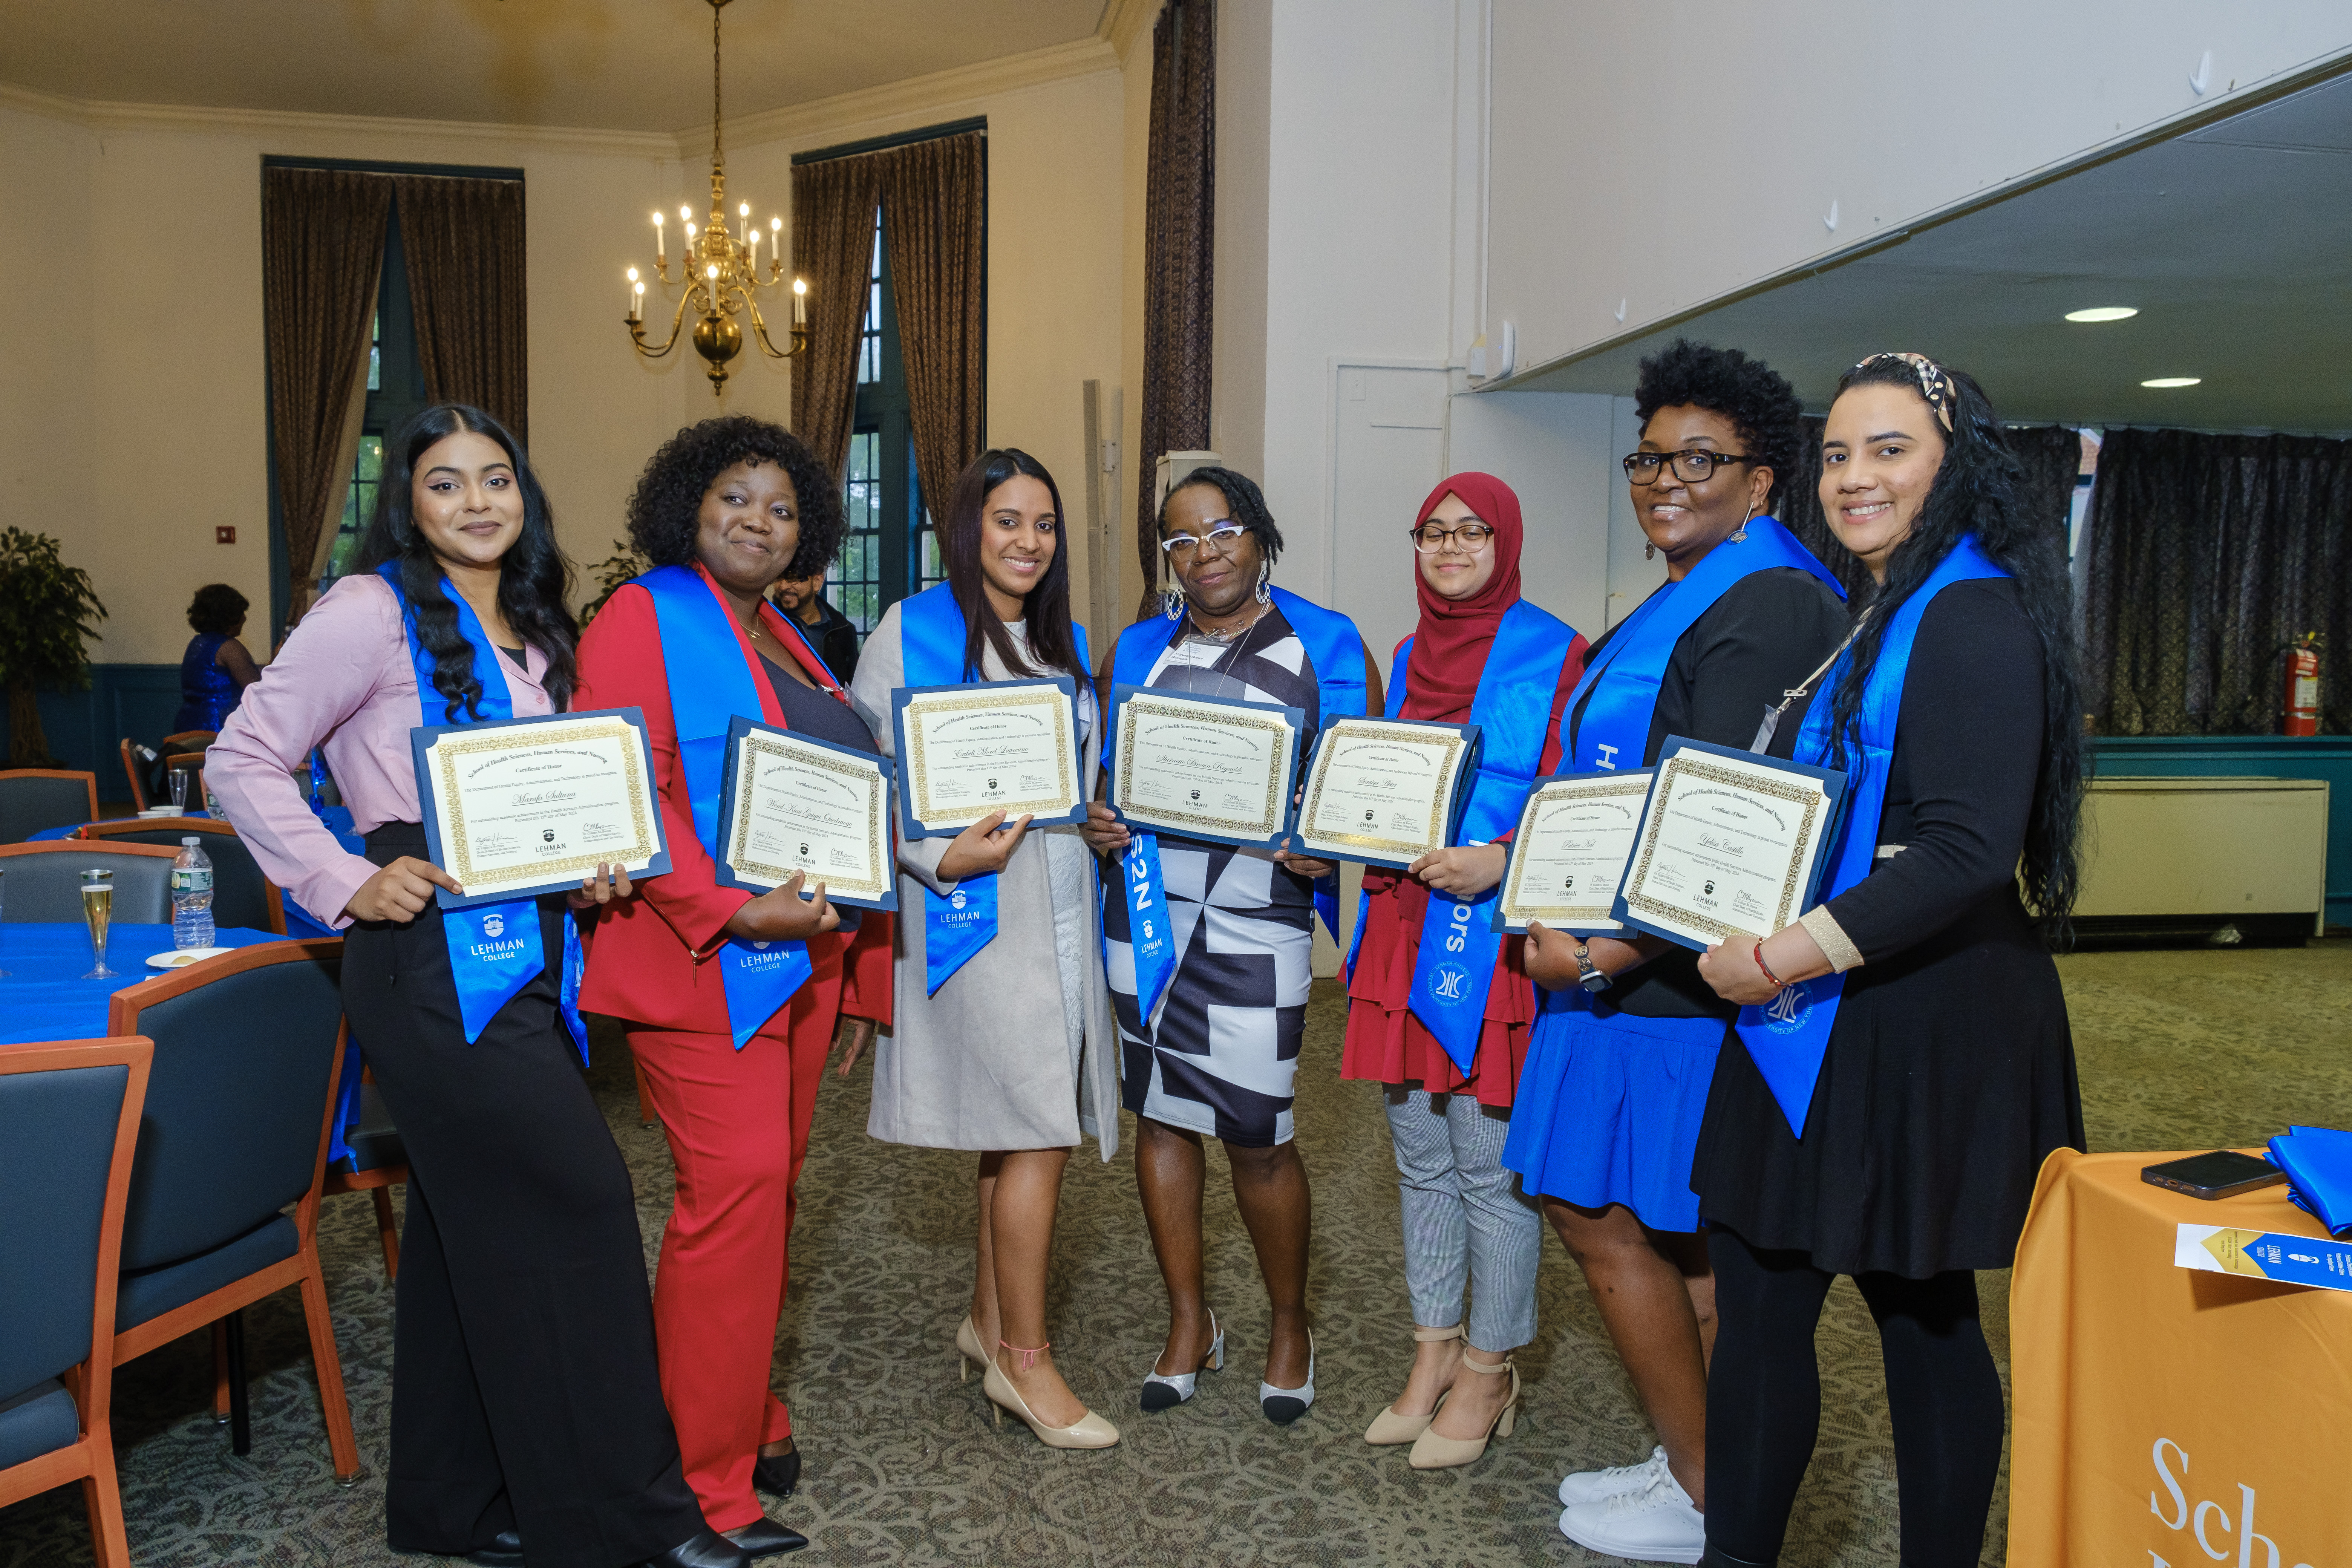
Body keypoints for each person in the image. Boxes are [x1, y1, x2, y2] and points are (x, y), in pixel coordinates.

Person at [205, 404, 750, 1568]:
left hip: (525, 955)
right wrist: (342, 878)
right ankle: (624, 1525)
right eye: (444, 483)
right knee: (586, 1205)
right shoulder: (368, 611)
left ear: (525, 494)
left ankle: (454, 1505)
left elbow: (541, 806)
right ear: (406, 502)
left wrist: (592, 872)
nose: (475, 502)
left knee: (464, 1238)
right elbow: (239, 757)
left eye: (495, 478)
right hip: (425, 964)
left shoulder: (533, 630)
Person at [1687, 353, 2085, 1568]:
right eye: (1839, 452)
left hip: (1920, 1014)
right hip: (1820, 1000)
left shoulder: (1972, 615)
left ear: (1953, 464)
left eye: (1890, 449)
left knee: (1921, 1319)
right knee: (1759, 1304)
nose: (1854, 476)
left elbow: (1966, 847)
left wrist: (1782, 954)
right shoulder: (1885, 606)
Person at [1501, 341, 1849, 1563]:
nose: (1665, 480)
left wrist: (1599, 954)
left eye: (1700, 460)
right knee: (1668, 1228)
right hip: (1641, 960)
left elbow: (1724, 822)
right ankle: (1706, 1466)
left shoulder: (1767, 599)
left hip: (1674, 985)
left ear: (1764, 482)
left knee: (1606, 1212)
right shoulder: (1703, 583)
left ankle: (1710, 1491)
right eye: (1649, 457)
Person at [574, 416, 894, 1559]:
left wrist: (858, 972)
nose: (758, 520)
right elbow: (631, 779)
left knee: (773, 1199)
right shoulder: (638, 614)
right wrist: (725, 910)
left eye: (782, 506)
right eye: (734, 498)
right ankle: (694, 1485)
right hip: (699, 964)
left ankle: (744, 1409)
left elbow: (845, 801)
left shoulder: (789, 637)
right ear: (685, 505)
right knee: (737, 1194)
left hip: (799, 966)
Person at [1080, 466, 1377, 1426]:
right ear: (1163, 559)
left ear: (1259, 536)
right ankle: (1188, 1320)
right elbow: (1108, 777)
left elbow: (1358, 791)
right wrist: (1097, 819)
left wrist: (1318, 840)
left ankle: (1289, 1324)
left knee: (1259, 1132)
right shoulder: (1135, 647)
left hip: (1256, 918)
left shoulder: (1324, 642)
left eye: (1223, 530)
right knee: (1160, 1119)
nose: (1204, 552)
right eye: (1180, 539)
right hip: (1146, 913)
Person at [847, 447, 1122, 1449]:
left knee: (1018, 1126)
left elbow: (1067, 782)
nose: (1029, 542)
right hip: (972, 920)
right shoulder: (908, 632)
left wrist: (1091, 819)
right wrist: (931, 855)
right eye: (1008, 521)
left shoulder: (1061, 641)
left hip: (1059, 911)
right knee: (1036, 1128)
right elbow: (863, 783)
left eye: (1043, 524)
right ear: (969, 529)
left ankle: (984, 1318)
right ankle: (1025, 1363)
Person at [1338, 472, 1585, 1467]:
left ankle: (1491, 1366)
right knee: (1416, 1153)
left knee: (1488, 1169)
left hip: (1490, 937)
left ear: (1505, 541)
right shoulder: (1404, 654)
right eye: (1433, 532)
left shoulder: (1557, 653)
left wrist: (1503, 860)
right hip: (1405, 925)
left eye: (1471, 532)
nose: (1449, 547)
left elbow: (1582, 800)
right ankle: (1433, 1351)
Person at [175, 582, 262, 732]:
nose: (244, 619)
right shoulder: (229, 647)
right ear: (229, 615)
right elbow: (257, 689)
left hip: (188, 727)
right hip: (219, 730)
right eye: (241, 612)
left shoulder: (197, 643)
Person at [769, 570, 861, 688]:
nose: (783, 586)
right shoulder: (764, 623)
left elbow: (852, 687)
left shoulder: (843, 629)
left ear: (817, 582)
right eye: (778, 578)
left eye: (793, 578)